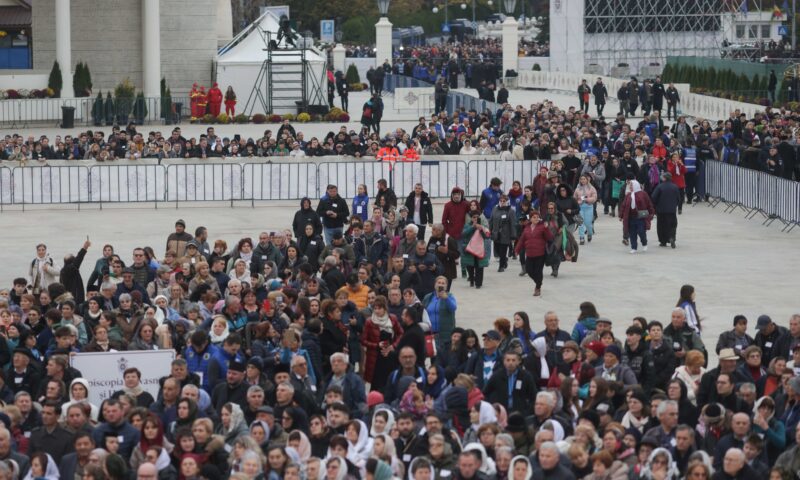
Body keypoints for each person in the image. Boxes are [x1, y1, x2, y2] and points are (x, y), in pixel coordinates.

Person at [515, 210, 554, 297]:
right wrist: (517, 250)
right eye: (534, 217)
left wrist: (547, 228)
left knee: (538, 271)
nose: (536, 219)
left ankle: (538, 288)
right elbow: (521, 240)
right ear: (530, 219)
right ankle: (539, 282)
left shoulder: (542, 227)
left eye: (537, 217)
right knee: (529, 271)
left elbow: (550, 238)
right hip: (529, 254)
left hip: (540, 254)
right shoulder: (527, 228)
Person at [619, 180, 654, 254]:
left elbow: (649, 204)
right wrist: (621, 215)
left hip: (640, 217)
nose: (630, 187)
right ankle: (634, 247)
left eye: (631, 185)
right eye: (630, 186)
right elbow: (623, 206)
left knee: (641, 232)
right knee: (632, 233)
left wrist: (651, 213)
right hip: (630, 218)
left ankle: (644, 243)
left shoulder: (643, 194)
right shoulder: (628, 195)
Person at [650, 172, 680, 248]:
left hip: (661, 210)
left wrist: (655, 206)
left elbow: (653, 197)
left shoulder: (660, 187)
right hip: (671, 210)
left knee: (661, 226)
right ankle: (672, 237)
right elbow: (679, 198)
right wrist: (674, 205)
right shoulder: (675, 187)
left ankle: (663, 241)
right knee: (672, 225)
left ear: (665, 178)